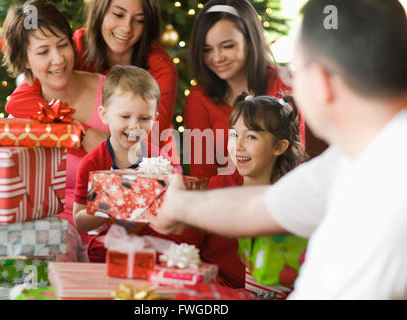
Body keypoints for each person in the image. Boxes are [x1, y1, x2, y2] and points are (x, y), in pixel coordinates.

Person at [147, 0, 407, 299]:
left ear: (321, 82)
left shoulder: (386, 198)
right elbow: (265, 204)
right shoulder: (354, 156)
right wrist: (181, 206)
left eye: (296, 73)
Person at [2, 0, 109, 261]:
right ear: (22, 59)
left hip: (113, 223)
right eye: (43, 52)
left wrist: (112, 150)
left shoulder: (111, 91)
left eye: (63, 45)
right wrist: (77, 132)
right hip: (56, 224)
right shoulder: (21, 111)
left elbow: (144, 161)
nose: (58, 59)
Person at [72, 65, 206, 263]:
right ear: (104, 114)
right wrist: (108, 204)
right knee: (102, 254)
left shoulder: (158, 159)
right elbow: (79, 220)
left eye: (144, 118)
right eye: (125, 116)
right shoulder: (93, 163)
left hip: (152, 238)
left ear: (155, 119)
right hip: (108, 242)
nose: (134, 126)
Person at [5, 0, 178, 153]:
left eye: (139, 20)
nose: (126, 28)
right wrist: (78, 131)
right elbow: (19, 101)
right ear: (100, 12)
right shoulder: (79, 46)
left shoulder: (161, 69)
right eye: (118, 14)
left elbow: (148, 144)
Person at [184, 0, 304, 178]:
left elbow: (294, 159)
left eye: (227, 46)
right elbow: (202, 175)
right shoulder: (199, 98)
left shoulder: (284, 85)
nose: (217, 57)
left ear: (250, 40)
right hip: (223, 200)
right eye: (207, 49)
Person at [205, 93, 307, 292]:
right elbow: (184, 239)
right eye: (234, 134)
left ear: (279, 146)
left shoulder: (292, 197)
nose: (238, 146)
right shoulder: (220, 186)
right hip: (218, 291)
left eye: (251, 136)